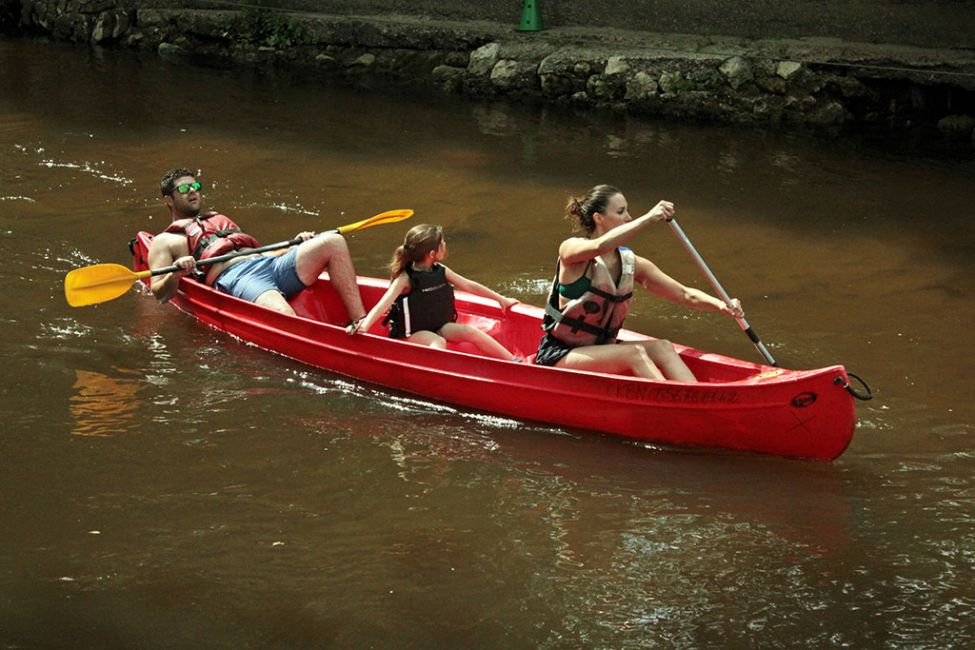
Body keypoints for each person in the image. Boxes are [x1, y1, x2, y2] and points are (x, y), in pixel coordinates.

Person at [535, 184, 744, 381]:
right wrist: (648, 218)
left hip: (600, 348)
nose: (628, 217)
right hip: (560, 354)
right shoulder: (571, 250)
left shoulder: (631, 263)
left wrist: (721, 305)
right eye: (620, 212)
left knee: (663, 347)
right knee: (634, 353)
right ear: (598, 218)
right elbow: (599, 246)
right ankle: (672, 405)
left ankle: (694, 399)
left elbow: (684, 293)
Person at [146, 168, 365, 322]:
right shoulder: (165, 241)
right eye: (184, 189)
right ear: (168, 200)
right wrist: (175, 274)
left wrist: (295, 245)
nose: (192, 191)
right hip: (239, 277)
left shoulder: (218, 220)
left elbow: (255, 252)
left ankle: (360, 322)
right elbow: (159, 293)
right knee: (285, 317)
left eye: (195, 186)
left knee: (333, 241)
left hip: (270, 262)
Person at [347, 223, 519, 361]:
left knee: (469, 331)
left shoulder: (440, 270)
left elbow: (469, 286)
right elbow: (384, 303)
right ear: (432, 254)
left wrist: (500, 299)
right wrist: (365, 325)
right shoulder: (406, 278)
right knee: (438, 342)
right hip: (413, 334)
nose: (445, 245)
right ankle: (436, 376)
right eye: (442, 244)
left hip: (439, 326)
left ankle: (512, 361)